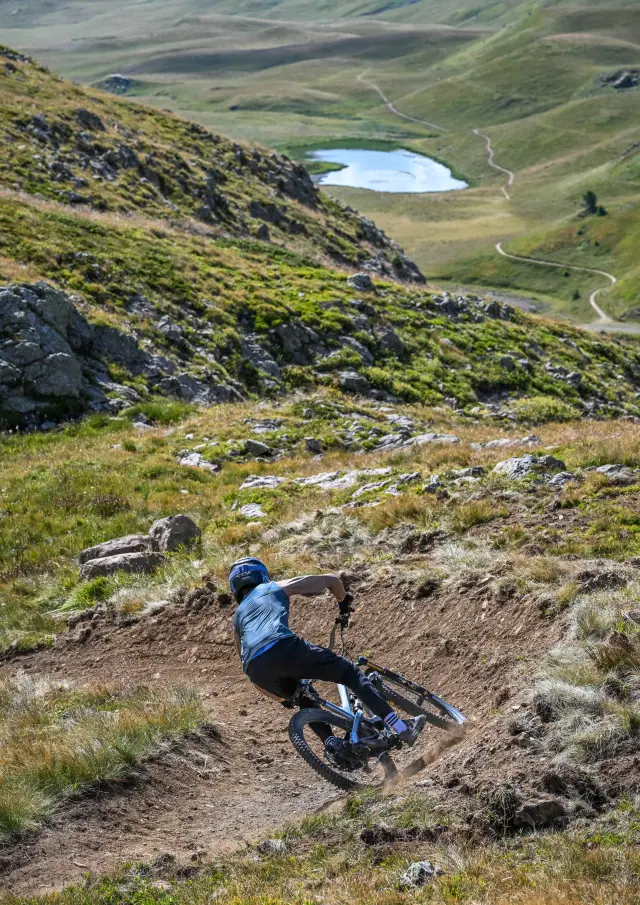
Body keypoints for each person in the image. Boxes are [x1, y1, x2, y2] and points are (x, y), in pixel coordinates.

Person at [230, 556, 426, 747]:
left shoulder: (237, 618)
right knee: (349, 673)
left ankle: (333, 747)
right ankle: (401, 727)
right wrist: (343, 602)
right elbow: (331, 580)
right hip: (283, 647)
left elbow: (247, 670)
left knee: (303, 697)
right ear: (262, 575)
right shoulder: (271, 587)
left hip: (255, 668)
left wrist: (282, 698)